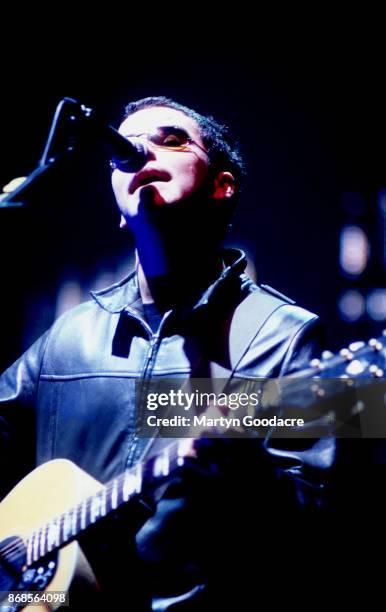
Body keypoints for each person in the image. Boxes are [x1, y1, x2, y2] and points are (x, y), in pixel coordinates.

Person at [0, 97, 335, 610]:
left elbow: (330, 520)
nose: (142, 153)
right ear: (117, 209)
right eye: (127, 150)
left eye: (171, 140)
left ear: (223, 187)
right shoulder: (66, 339)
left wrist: (244, 470)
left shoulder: (293, 336)